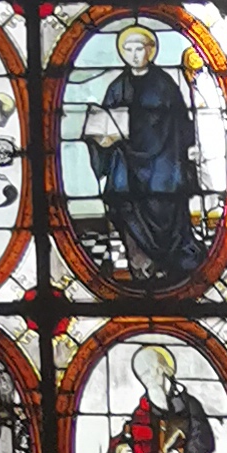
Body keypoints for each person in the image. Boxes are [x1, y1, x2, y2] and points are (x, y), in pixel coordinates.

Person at [82, 21, 201, 282]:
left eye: (139, 49)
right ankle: (141, 264)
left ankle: (170, 264)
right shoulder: (117, 86)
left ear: (150, 50)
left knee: (166, 201)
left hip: (164, 161)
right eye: (128, 50)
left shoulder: (165, 84)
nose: (134, 55)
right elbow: (104, 122)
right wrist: (99, 139)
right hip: (126, 161)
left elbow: (181, 121)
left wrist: (188, 148)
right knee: (122, 199)